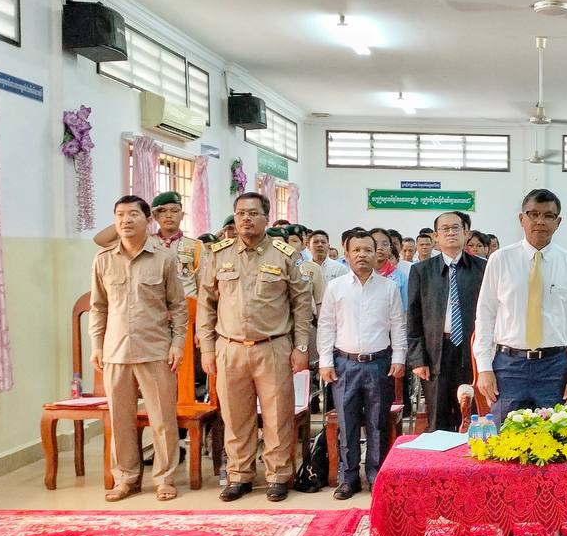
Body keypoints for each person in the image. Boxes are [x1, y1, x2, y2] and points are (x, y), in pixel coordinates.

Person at [198, 192, 312, 503]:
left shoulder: (284, 254)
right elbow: (206, 305)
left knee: (277, 415)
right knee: (235, 416)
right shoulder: (218, 255)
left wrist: (301, 346)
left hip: (273, 346)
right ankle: (240, 475)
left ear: (266, 217)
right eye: (240, 213)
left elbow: (302, 303)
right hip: (229, 347)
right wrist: (206, 348)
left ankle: (278, 475)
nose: (246, 219)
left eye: (253, 213)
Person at [90, 195, 188, 502]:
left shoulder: (163, 259)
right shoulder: (103, 260)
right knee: (120, 420)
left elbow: (178, 306)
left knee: (162, 420)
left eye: (133, 214)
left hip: (155, 349)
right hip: (115, 351)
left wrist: (177, 344)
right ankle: (126, 478)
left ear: (148, 220)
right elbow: (98, 307)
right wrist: (96, 345)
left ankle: (165, 478)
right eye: (120, 215)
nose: (125, 220)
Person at [474, 189, 567, 425]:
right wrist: (484, 368)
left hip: (554, 367)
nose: (540, 221)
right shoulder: (500, 260)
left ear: (558, 222)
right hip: (509, 367)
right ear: (522, 219)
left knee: (554, 439)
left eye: (548, 216)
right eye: (533, 214)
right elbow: (485, 316)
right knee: (505, 439)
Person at [318, 229, 407, 498]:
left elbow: (398, 326)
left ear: (376, 253)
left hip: (379, 364)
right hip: (344, 364)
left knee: (377, 423)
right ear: (346, 254)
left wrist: (399, 358)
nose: (362, 255)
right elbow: (326, 326)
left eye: (368, 250)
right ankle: (349, 478)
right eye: (356, 250)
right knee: (348, 423)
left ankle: (376, 475)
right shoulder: (336, 287)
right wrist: (325, 361)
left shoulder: (388, 287)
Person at [406, 211, 487, 432]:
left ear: (466, 233)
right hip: (435, 352)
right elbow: (414, 317)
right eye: (445, 229)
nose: (451, 233)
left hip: (472, 351)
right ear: (436, 236)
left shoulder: (483, 268)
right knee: (438, 417)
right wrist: (418, 359)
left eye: (456, 228)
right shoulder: (421, 270)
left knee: (472, 415)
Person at [369, 227, 410, 309]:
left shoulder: (401, 277)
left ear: (390, 249)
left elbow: (405, 309)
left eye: (385, 244)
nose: (380, 248)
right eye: (375, 243)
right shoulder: (359, 275)